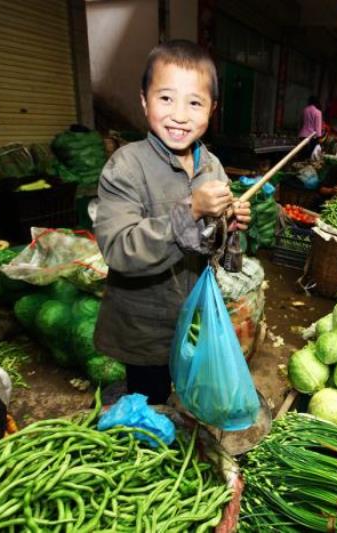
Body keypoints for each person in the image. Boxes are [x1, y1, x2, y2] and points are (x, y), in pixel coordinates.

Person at [93, 40, 251, 404]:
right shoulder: (125, 167)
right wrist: (190, 210)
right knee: (151, 405)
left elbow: (212, 244)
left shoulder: (212, 167)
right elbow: (118, 250)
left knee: (189, 397)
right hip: (144, 325)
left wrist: (231, 224)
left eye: (194, 103)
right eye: (166, 99)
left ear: (212, 109)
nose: (179, 115)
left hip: (193, 317)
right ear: (145, 101)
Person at [299, 95, 323, 159]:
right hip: (312, 138)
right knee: (310, 157)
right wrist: (319, 138)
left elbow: (301, 123)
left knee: (302, 155)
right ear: (317, 102)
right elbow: (318, 127)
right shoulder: (318, 112)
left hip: (302, 136)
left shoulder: (304, 110)